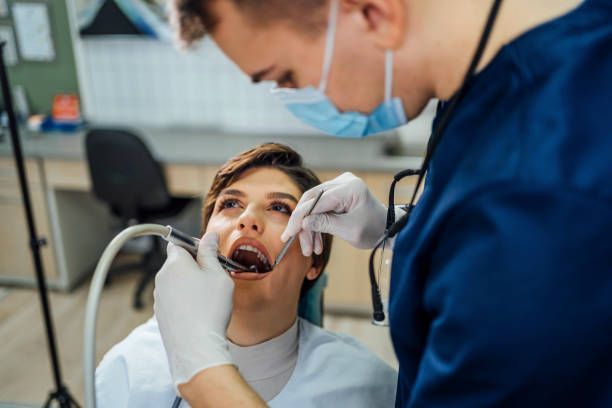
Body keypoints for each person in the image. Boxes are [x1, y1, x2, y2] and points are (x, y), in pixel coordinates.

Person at [155, 0, 612, 406]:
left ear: (374, 12)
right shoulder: (477, 82)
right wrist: (402, 228)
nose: (305, 102)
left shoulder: (539, 205)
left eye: (289, 78)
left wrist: (203, 374)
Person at [96, 143, 397, 407]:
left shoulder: (369, 388)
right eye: (230, 204)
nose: (248, 218)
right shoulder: (126, 368)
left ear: (313, 263)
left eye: (279, 207)